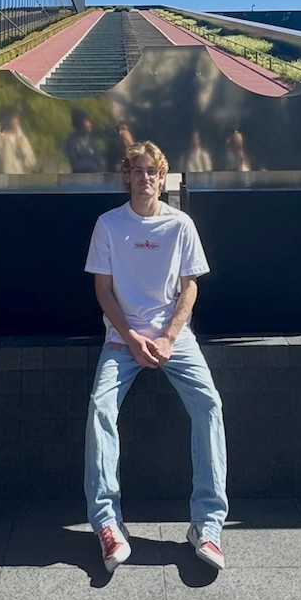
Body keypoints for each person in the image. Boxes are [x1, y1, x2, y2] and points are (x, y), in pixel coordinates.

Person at [84, 140, 227, 572]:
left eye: (152, 172)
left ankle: (207, 525)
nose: (145, 178)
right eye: (138, 170)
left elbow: (189, 287)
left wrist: (168, 337)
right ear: (127, 176)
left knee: (209, 404)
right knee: (100, 409)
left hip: (174, 340)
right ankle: (107, 524)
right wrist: (131, 337)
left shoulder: (180, 225)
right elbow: (103, 290)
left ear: (162, 179)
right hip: (121, 340)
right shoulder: (108, 225)